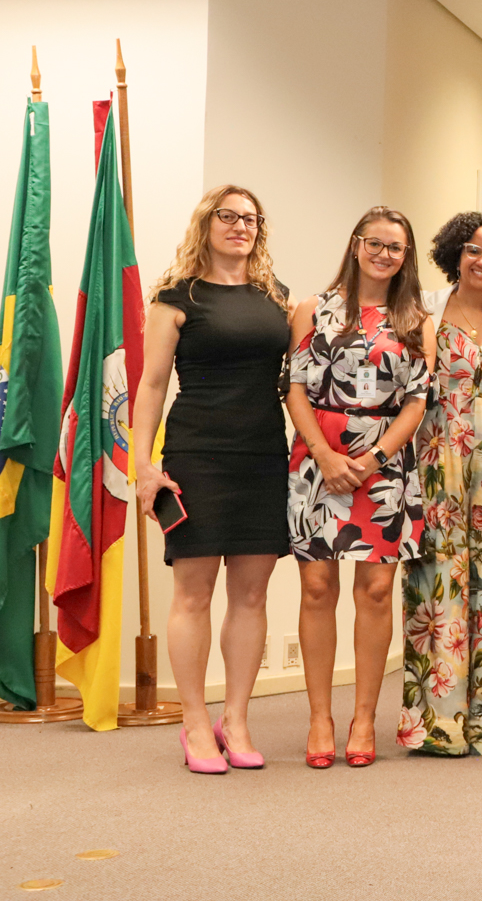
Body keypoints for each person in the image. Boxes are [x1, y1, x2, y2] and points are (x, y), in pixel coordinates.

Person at [133, 186, 291, 773]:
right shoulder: (176, 297)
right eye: (228, 215)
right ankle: (195, 721)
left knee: (251, 594)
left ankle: (237, 719)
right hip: (197, 454)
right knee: (194, 592)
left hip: (262, 455)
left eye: (251, 218)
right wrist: (144, 466)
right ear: (206, 223)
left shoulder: (276, 297)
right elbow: (152, 385)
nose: (240, 226)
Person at [287, 206, 435, 768]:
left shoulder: (416, 320)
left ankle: (365, 718)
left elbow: (417, 401)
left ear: (406, 256)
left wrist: (374, 458)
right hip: (317, 460)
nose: (384, 254)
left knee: (374, 592)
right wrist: (324, 454)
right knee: (316, 588)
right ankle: (320, 718)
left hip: (384, 465)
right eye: (375, 243)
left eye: (395, 247)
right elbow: (294, 388)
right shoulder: (311, 308)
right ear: (355, 245)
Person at [399, 212, 482, 756]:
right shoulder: (423, 308)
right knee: (436, 575)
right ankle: (436, 722)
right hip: (436, 451)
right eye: (474, 249)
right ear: (455, 252)